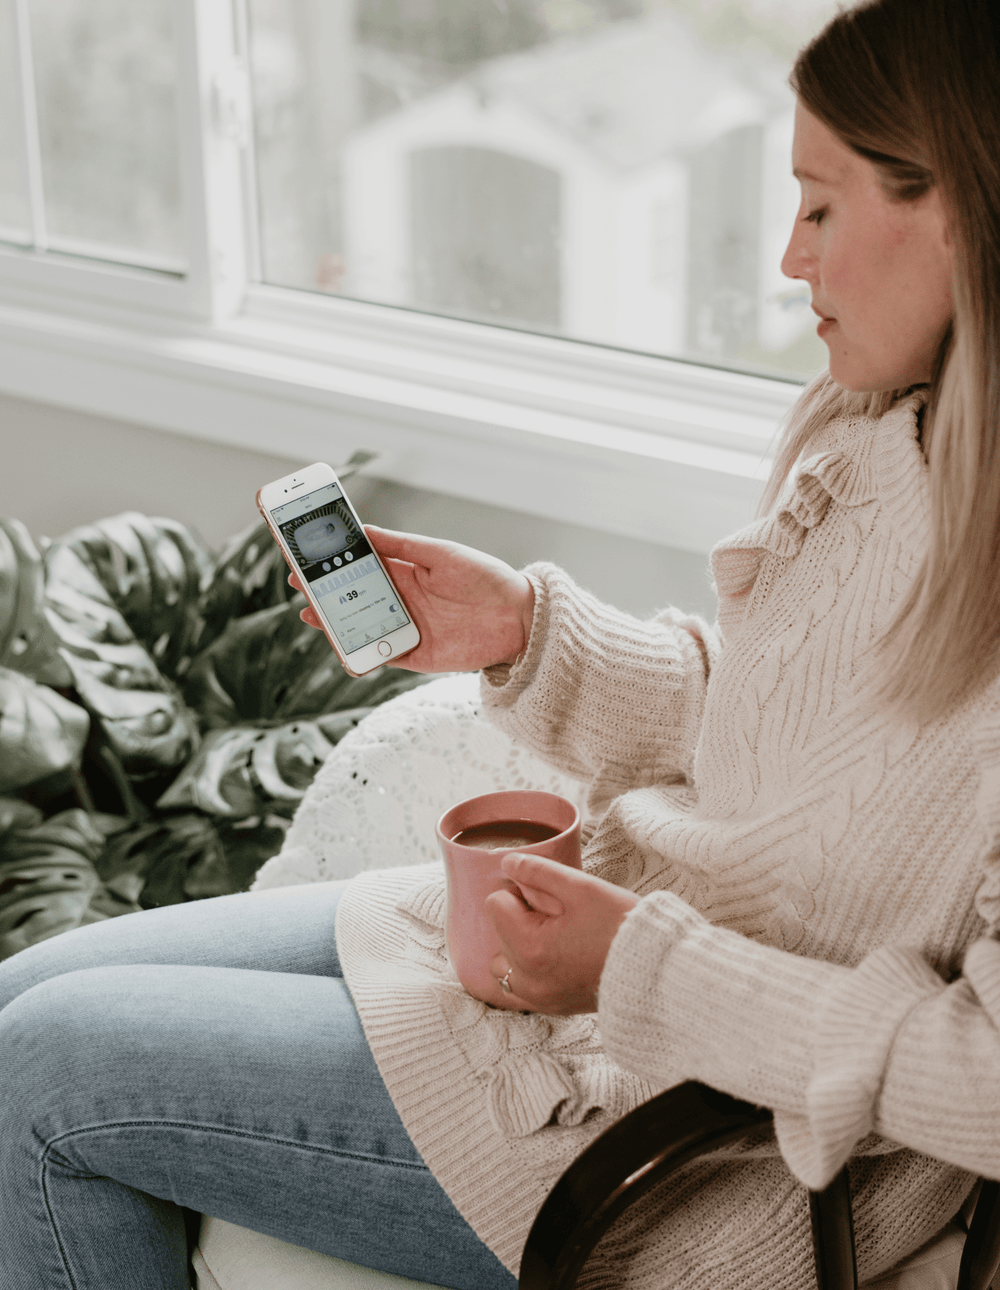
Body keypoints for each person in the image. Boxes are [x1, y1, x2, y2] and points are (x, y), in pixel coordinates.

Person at [2, 0, 999, 1286]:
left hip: (696, 1135)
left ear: (960, 211)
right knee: (24, 991)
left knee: (42, 1072)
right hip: (602, 964)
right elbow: (789, 733)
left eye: (819, 207)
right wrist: (526, 635)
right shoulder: (870, 426)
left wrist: (638, 968)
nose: (786, 258)